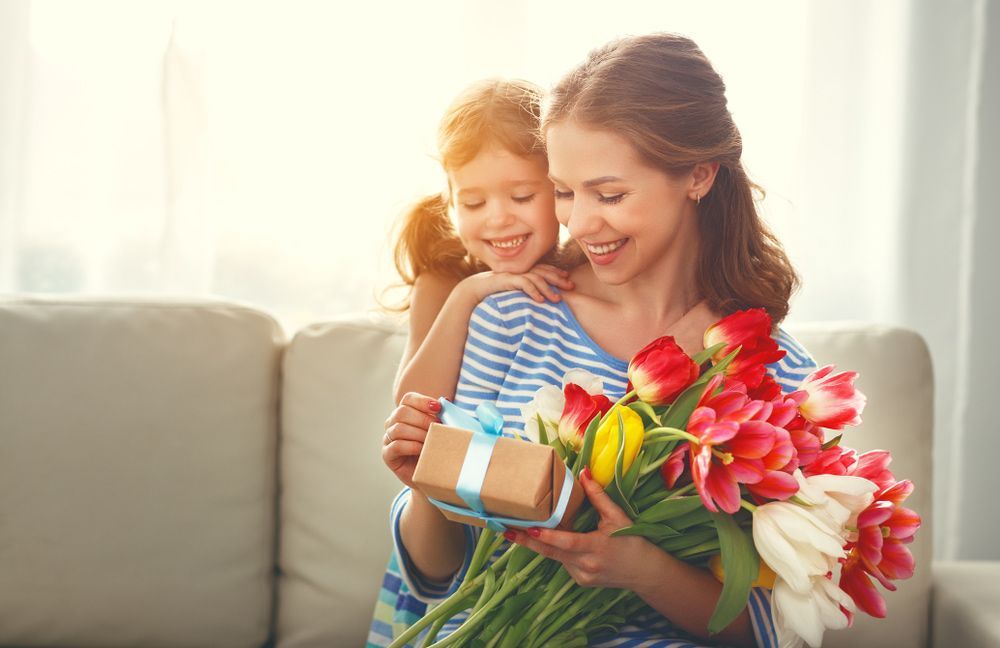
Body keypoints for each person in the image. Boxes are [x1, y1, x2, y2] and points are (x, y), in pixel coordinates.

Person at [373, 33, 818, 648]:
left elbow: (776, 629)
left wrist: (644, 572)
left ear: (698, 175)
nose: (579, 223)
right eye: (562, 191)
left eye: (609, 194)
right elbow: (437, 578)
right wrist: (426, 483)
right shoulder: (511, 315)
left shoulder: (773, 372)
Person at [368, 78, 571, 645]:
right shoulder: (446, 280)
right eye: (474, 202)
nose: (498, 219)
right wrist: (471, 293)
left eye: (522, 196)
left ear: (560, 189)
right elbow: (413, 411)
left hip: (529, 512)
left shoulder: (580, 277)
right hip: (441, 509)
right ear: (450, 201)